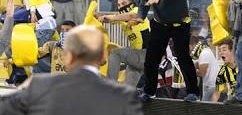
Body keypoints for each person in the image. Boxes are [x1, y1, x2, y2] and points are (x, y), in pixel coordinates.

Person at [0, 25, 143, 115]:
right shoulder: (125, 96)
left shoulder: (38, 85)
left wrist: (24, 89)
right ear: (103, 56)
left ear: (67, 57)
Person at [135, 0, 199, 102]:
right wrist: (140, 17)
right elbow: (143, 3)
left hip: (180, 25)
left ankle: (193, 92)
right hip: (159, 24)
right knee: (151, 60)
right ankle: (149, 91)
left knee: (183, 58)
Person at [99, 0, 149, 86]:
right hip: (137, 57)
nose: (121, 6)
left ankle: (109, 85)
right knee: (128, 90)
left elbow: (130, 16)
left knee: (115, 52)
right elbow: (108, 18)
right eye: (119, 5)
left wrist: (111, 18)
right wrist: (95, 15)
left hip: (146, 54)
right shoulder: (121, 17)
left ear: (131, 3)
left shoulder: (137, 10)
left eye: (123, 3)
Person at [189, 36, 219, 101]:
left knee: (204, 107)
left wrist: (189, 72)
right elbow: (197, 65)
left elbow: (201, 73)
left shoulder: (204, 54)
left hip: (212, 86)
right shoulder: (204, 51)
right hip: (211, 85)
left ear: (190, 46)